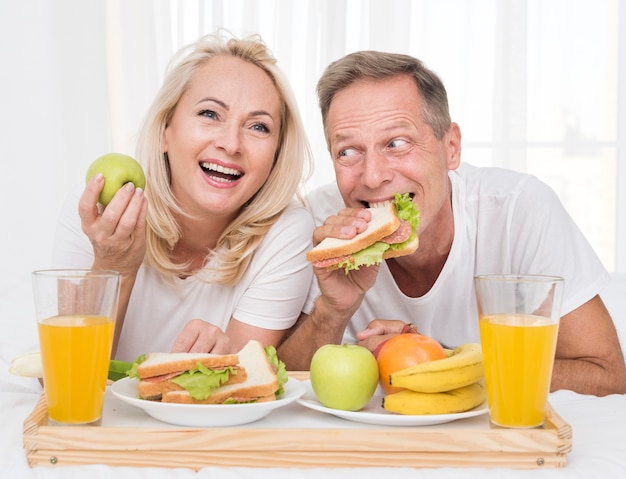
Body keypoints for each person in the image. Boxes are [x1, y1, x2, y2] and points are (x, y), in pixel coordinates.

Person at [277, 50, 626, 397]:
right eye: (348, 152)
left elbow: (607, 375)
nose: (373, 177)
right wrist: (332, 311)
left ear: (451, 148)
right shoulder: (321, 228)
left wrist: (434, 360)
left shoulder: (518, 210)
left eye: (397, 143)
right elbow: (284, 385)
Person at [51, 32, 315, 361]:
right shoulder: (96, 212)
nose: (231, 144)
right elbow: (64, 379)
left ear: (277, 153)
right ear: (166, 130)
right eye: (209, 114)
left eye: (258, 126)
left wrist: (227, 361)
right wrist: (113, 267)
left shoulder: (286, 233)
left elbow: (235, 389)